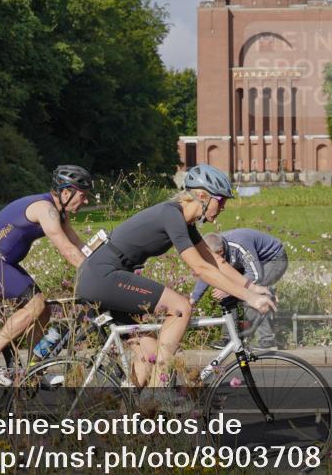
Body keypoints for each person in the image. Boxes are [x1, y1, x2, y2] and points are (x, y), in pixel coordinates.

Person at [75, 164, 276, 390]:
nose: (223, 208)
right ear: (202, 196)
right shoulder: (171, 215)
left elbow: (215, 261)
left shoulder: (183, 222)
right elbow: (200, 269)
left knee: (148, 352)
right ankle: (158, 389)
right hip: (103, 275)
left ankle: (132, 412)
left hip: (102, 275)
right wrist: (248, 298)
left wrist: (251, 287)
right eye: (221, 201)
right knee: (181, 307)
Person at [0, 165, 92, 385]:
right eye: (82, 195)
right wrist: (95, 275)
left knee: (43, 312)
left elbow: (79, 245)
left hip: (4, 262)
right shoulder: (45, 209)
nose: (86, 201)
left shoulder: (59, 213)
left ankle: (35, 372)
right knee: (36, 305)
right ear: (66, 192)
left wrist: (105, 263)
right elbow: (66, 249)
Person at [190, 229, 288, 350]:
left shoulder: (240, 245)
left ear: (220, 252)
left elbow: (255, 275)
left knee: (251, 295)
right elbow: (206, 273)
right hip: (250, 264)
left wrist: (229, 289)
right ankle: (230, 338)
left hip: (274, 259)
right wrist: (193, 299)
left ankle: (268, 340)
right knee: (229, 296)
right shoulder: (215, 250)